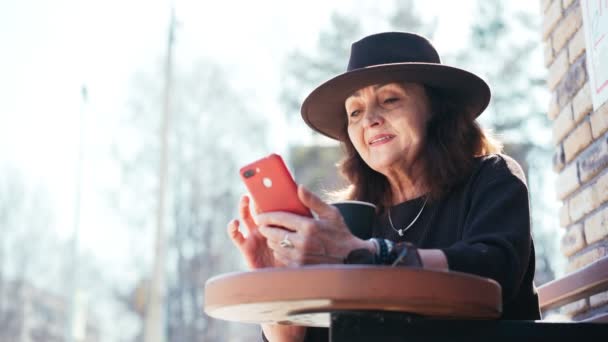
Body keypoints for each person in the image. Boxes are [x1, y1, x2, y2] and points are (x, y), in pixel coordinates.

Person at [227, 32, 541, 342]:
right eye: (355, 112)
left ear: (437, 109)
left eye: (389, 99)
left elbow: (492, 273)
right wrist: (279, 289)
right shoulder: (351, 220)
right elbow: (308, 337)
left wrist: (369, 254)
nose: (369, 120)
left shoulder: (493, 176)